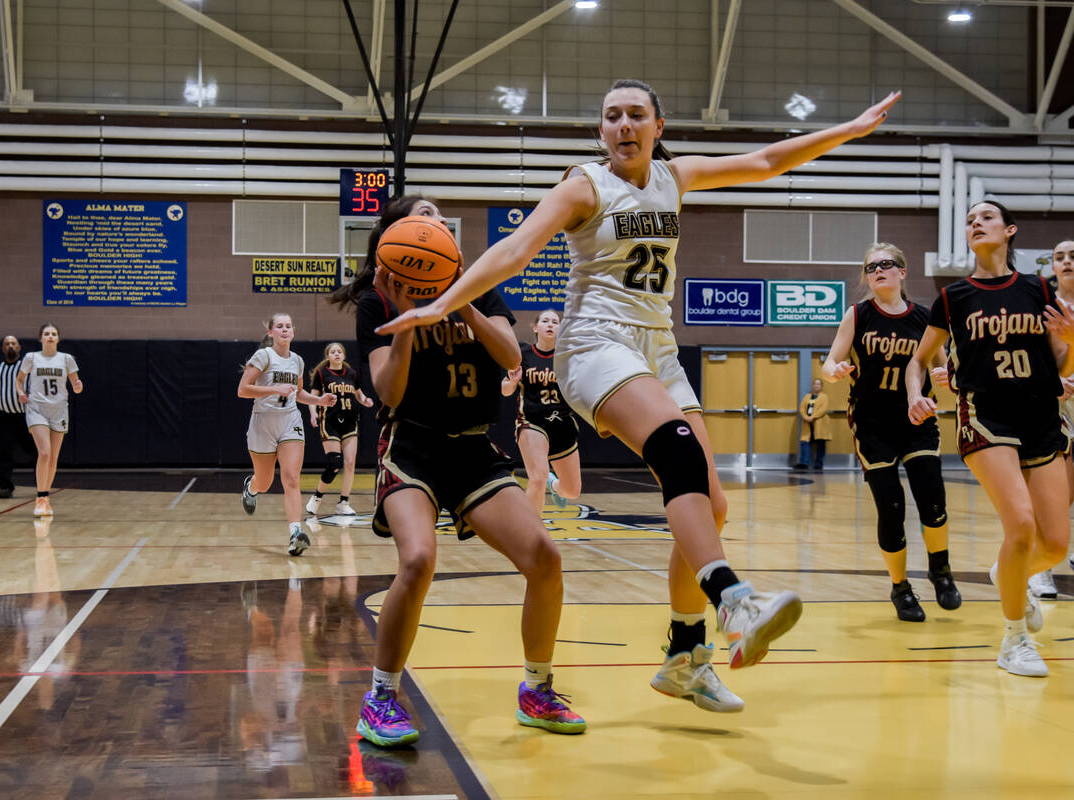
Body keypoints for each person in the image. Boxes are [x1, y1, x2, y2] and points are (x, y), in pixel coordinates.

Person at [377, 79, 902, 712]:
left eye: (636, 115)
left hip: (657, 346)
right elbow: (516, 250)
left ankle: (685, 657)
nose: (624, 125)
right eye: (611, 117)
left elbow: (766, 161)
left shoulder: (674, 177)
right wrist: (441, 303)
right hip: (596, 341)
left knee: (711, 505)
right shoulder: (584, 186)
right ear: (601, 131)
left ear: (658, 124)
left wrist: (846, 131)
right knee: (677, 451)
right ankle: (732, 599)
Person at [332, 194, 585, 747]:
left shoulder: (478, 281)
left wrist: (460, 297)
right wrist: (405, 318)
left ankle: (537, 689)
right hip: (413, 447)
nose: (431, 222)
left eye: (436, 217)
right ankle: (381, 698)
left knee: (545, 557)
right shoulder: (377, 300)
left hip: (473, 450)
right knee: (419, 560)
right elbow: (388, 392)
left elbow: (511, 357)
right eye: (417, 216)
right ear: (395, 237)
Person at [906, 201, 1074, 677]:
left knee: (1056, 544)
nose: (975, 222)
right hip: (986, 418)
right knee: (1019, 525)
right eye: (970, 219)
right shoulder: (954, 297)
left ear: (1009, 231)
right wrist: (914, 394)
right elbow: (920, 359)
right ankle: (1014, 639)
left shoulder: (1039, 288)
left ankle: (1009, 572)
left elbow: (1063, 363)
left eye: (986, 217)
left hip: (1042, 415)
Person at [822, 243, 961, 622]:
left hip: (916, 420)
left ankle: (941, 569)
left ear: (902, 271)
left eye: (886, 265)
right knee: (891, 505)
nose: (878, 271)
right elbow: (830, 360)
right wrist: (833, 371)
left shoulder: (923, 317)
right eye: (871, 267)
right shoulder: (857, 315)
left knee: (932, 496)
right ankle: (900, 586)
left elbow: (944, 369)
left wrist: (943, 376)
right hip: (872, 423)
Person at [238, 313, 336, 556]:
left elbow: (298, 394)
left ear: (293, 332)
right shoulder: (263, 356)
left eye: (288, 326)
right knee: (265, 482)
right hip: (263, 423)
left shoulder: (298, 361)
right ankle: (251, 487)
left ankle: (295, 533)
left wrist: (319, 400)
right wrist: (274, 388)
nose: (284, 329)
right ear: (271, 332)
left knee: (291, 479)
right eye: (279, 326)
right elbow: (243, 390)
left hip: (290, 421)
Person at [500, 309, 582, 513]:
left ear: (560, 328)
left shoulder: (568, 358)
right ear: (535, 327)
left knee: (572, 491)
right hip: (532, 422)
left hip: (562, 424)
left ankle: (553, 485)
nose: (550, 324)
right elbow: (505, 391)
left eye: (555, 321)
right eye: (545, 321)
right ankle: (531, 537)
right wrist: (511, 382)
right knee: (538, 477)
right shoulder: (523, 354)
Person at [1031, 237, 1074, 597]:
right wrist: (1053, 381)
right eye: (1059, 257)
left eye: (1073, 256)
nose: (1067, 262)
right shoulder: (1043, 305)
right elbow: (1032, 356)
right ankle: (1040, 568)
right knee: (1059, 494)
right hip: (1055, 405)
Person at [15, 324, 82, 517]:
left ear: (58, 339)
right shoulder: (31, 358)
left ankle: (46, 499)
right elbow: (19, 380)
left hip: (59, 410)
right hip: (37, 408)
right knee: (44, 453)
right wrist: (20, 392)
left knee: (53, 458)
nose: (50, 336)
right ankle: (41, 497)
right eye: (46, 334)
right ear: (41, 338)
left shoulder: (66, 359)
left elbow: (76, 386)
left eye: (53, 334)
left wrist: (78, 386)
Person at [305, 342, 375, 517]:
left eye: (339, 351)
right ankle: (317, 497)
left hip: (350, 423)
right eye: (333, 352)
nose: (336, 354)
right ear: (328, 356)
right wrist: (313, 414)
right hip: (330, 422)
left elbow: (358, 394)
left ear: (343, 356)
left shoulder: (352, 374)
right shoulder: (322, 374)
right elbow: (313, 397)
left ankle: (344, 502)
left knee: (350, 463)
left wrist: (365, 400)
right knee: (334, 463)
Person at [0, 334, 35, 498]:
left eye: (13, 343)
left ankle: (42, 484)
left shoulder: (27, 369)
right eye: (7, 344)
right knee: (4, 452)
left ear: (19, 347)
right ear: (3, 348)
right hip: (5, 417)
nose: (10, 346)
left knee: (36, 451)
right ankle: (5, 487)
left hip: (26, 417)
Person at [795, 378, 831, 470]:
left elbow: (824, 409)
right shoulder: (807, 396)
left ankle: (819, 463)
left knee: (820, 444)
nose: (816, 386)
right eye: (815, 384)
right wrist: (805, 416)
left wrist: (813, 416)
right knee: (805, 442)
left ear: (821, 386)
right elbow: (802, 408)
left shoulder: (824, 397)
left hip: (820, 423)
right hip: (807, 423)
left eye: (818, 384)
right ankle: (804, 463)